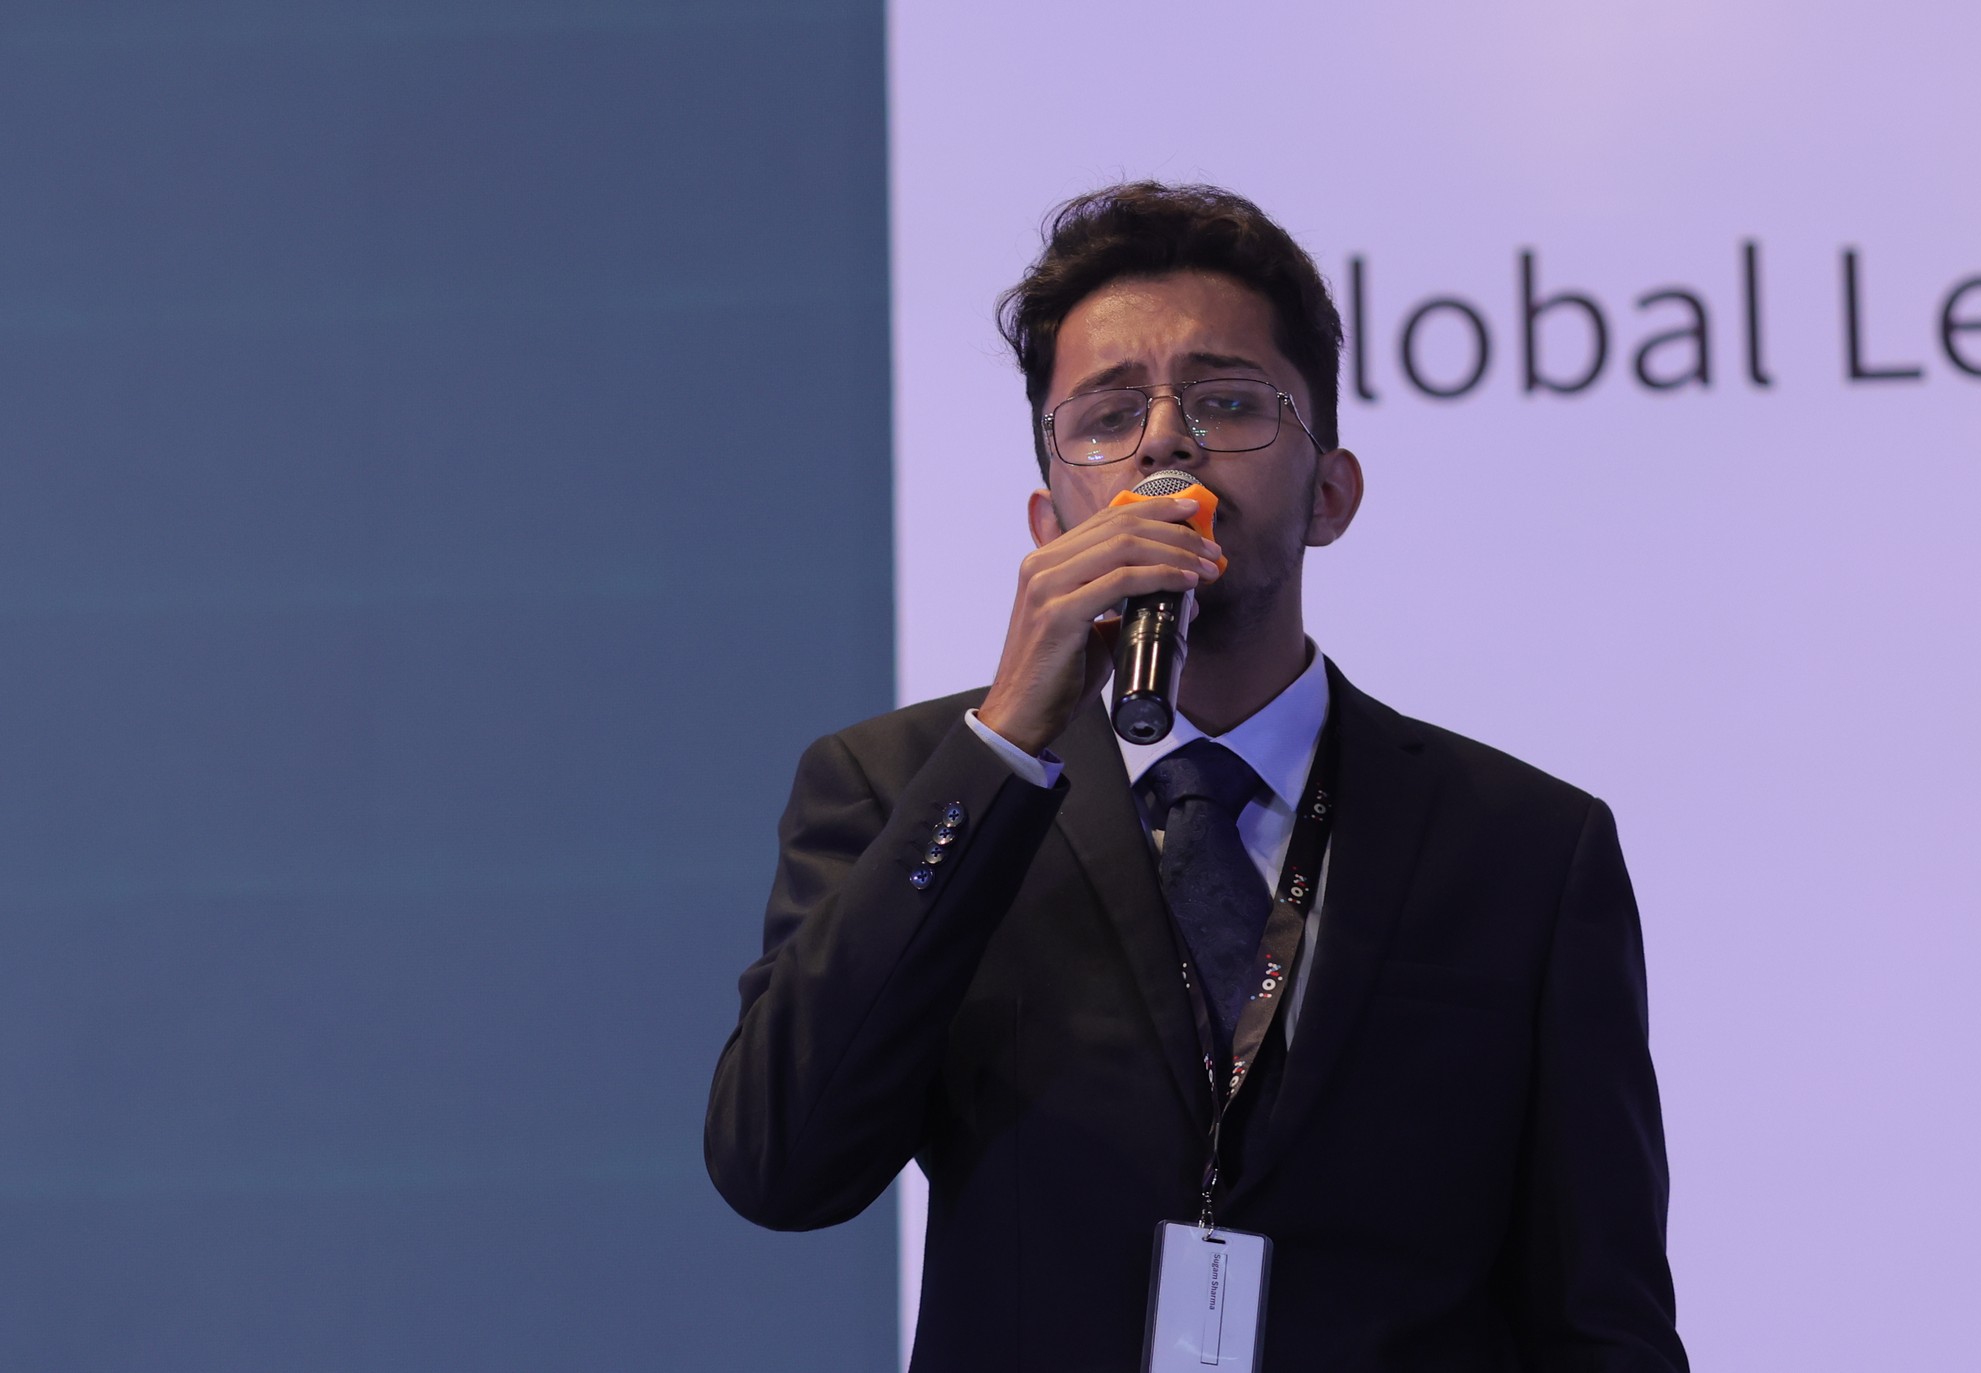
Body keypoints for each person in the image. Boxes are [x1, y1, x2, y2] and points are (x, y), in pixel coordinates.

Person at [706, 182, 1689, 1371]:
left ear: (1332, 494)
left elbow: (1602, 1318)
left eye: (1225, 401)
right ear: (1048, 521)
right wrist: (1005, 739)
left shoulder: (1523, 845)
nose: (1166, 441)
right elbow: (781, 1163)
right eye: (1108, 414)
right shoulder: (900, 787)